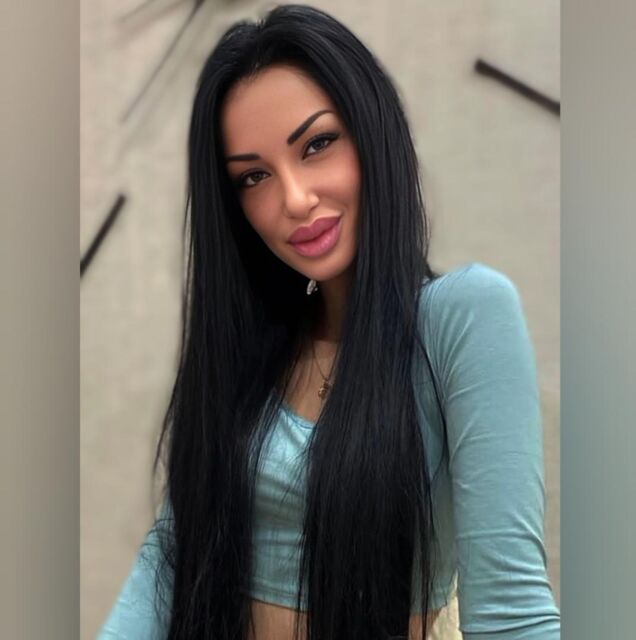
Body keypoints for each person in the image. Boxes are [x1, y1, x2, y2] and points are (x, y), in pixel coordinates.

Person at [97, 4, 560, 639]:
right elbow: (174, 550)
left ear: (371, 132)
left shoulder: (463, 317)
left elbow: (512, 612)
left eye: (317, 144)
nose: (294, 198)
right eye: (254, 176)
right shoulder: (254, 341)